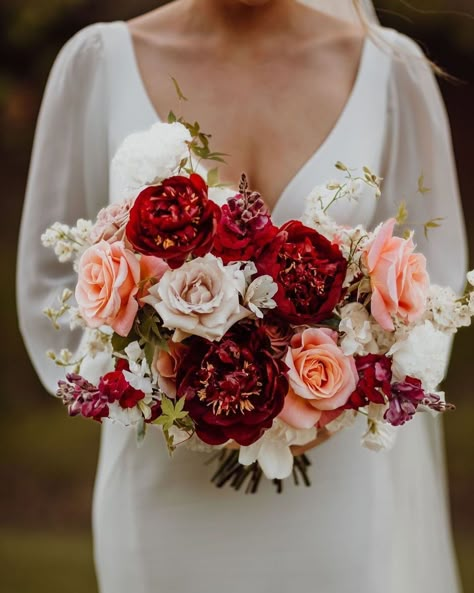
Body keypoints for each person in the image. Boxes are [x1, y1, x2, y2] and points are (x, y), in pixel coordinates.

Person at [17, 1, 468, 592]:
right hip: (163, 488)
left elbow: (436, 286)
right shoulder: (98, 62)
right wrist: (159, 378)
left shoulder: (389, 68)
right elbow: (49, 282)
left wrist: (337, 391)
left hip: (338, 495)